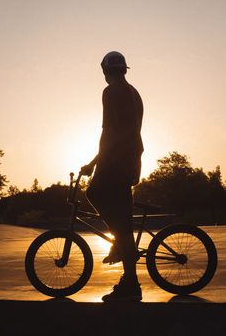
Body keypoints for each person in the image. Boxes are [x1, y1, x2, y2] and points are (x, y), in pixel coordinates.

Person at [81, 51, 144, 302]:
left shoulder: (111, 91)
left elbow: (111, 131)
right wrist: (95, 161)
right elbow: (127, 130)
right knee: (124, 223)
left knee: (93, 192)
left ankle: (120, 245)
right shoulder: (134, 92)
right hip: (130, 160)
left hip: (116, 160)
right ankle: (131, 283)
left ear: (105, 70)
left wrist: (96, 163)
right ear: (124, 69)